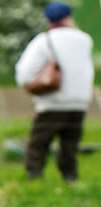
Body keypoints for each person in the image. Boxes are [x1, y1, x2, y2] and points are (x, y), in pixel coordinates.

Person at [15, 2, 94, 182]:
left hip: (52, 103)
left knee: (38, 145)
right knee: (70, 146)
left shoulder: (44, 41)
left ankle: (35, 179)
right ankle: (70, 179)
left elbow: (24, 73)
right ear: (68, 17)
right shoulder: (85, 40)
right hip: (79, 104)